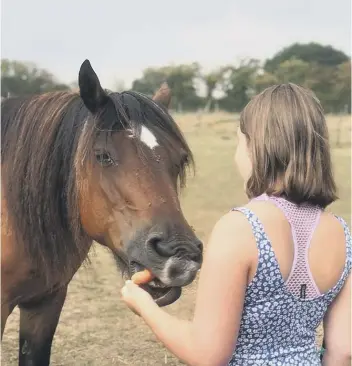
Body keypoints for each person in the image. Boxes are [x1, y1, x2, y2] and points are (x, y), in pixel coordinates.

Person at [121, 83, 351, 366]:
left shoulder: (240, 229)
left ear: (256, 146)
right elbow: (342, 351)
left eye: (239, 142)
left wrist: (142, 304)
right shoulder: (343, 234)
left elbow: (206, 354)